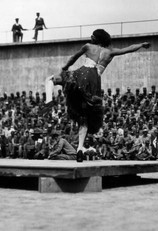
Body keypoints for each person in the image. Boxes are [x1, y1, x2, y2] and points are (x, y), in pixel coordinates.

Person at [57, 29, 150, 162]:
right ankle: (80, 148)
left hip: (83, 75)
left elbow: (73, 58)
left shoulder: (88, 46)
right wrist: (141, 45)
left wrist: (65, 67)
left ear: (97, 39)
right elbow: (128, 49)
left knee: (68, 86)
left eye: (93, 36)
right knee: (86, 115)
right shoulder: (110, 52)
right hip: (94, 80)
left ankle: (80, 147)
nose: (91, 37)